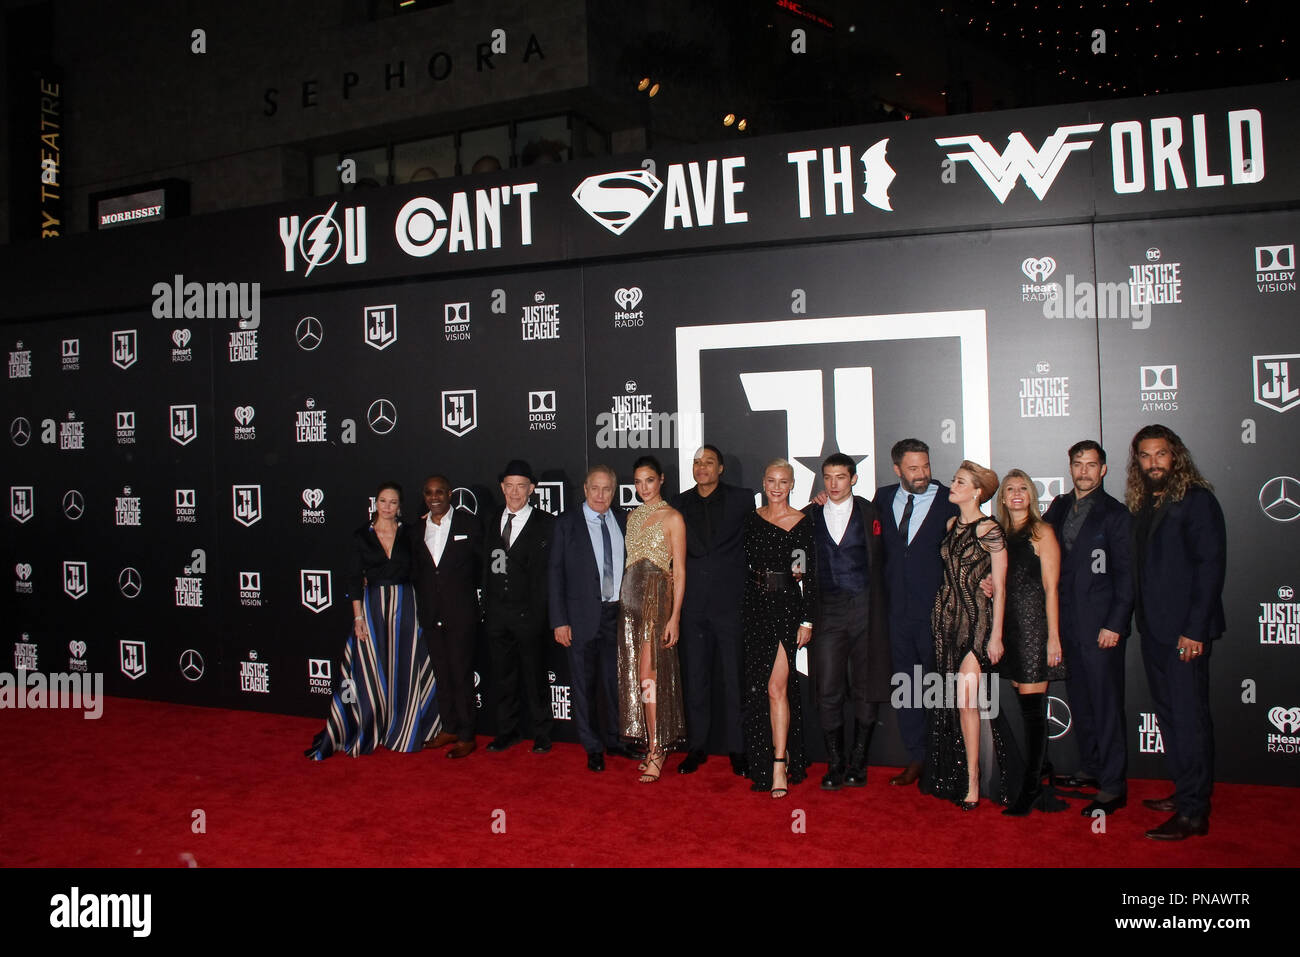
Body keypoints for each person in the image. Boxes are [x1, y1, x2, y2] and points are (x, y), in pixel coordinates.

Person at [1125, 425, 1226, 840]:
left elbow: (1210, 569)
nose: (1153, 463)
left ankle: (1193, 813)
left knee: (1189, 720)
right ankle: (1188, 791)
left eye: (1160, 455)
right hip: (1155, 631)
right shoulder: (1145, 503)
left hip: (1186, 634)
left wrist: (1194, 630)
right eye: (1145, 456)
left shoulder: (1197, 501)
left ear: (1175, 456)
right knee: (1170, 718)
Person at [306, 481, 441, 759]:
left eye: (393, 502)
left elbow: (423, 566)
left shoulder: (410, 534)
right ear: (375, 503)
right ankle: (370, 726)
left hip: (406, 604)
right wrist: (358, 617)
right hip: (373, 607)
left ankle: (405, 727)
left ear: (399, 506)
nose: (388, 507)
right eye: (383, 501)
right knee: (370, 669)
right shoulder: (361, 536)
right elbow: (354, 579)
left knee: (406, 665)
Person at [1042, 440, 1134, 817]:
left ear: (1104, 470)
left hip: (1101, 628)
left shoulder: (1115, 514)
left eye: (1091, 465)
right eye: (1078, 464)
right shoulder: (1060, 506)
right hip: (1065, 624)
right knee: (1081, 700)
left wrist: (1115, 623)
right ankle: (1092, 768)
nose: (1084, 471)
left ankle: (1113, 785)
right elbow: (1038, 551)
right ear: (1070, 466)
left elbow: (1128, 576)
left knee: (1106, 704)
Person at [921, 460, 1014, 810]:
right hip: (944, 622)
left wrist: (996, 636)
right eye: (955, 480)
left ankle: (974, 780)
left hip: (976, 625)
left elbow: (1000, 587)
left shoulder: (990, 529)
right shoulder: (950, 524)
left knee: (966, 702)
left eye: (960, 482)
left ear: (977, 491)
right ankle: (962, 775)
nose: (953, 486)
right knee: (956, 706)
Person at [873, 438, 960, 786]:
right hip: (895, 613)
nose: (922, 473)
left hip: (937, 612)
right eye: (913, 468)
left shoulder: (950, 499)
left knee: (939, 686)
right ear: (897, 470)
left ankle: (947, 757)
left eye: (925, 466)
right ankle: (917, 757)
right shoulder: (880, 499)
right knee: (907, 687)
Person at [803, 453, 890, 789]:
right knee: (827, 689)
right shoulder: (810, 515)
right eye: (828, 477)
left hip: (867, 609)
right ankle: (835, 764)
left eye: (841, 476)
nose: (834, 484)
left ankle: (858, 762)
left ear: (853, 478)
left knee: (867, 687)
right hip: (827, 611)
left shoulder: (871, 512)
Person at [549, 465, 638, 772]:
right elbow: (555, 573)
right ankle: (591, 746)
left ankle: (614, 741)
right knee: (583, 685)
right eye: (595, 489)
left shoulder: (623, 521)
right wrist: (559, 620)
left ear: (614, 492)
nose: (601, 496)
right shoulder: (566, 523)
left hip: (615, 615)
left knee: (615, 683)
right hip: (580, 617)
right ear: (585, 489)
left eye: (607, 490)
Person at [671, 444, 752, 776]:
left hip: (730, 604)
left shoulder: (743, 499)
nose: (701, 467)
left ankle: (738, 748)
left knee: (735, 680)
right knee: (696, 679)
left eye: (708, 462)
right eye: (696, 462)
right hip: (692, 607)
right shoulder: (678, 503)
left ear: (721, 468)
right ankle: (697, 747)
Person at [742, 459, 817, 798]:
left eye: (783, 481)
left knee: (776, 688)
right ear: (763, 482)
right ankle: (765, 757)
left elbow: (804, 575)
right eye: (771, 479)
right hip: (754, 608)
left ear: (791, 486)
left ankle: (778, 763)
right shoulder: (752, 521)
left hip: (786, 608)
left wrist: (806, 619)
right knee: (759, 689)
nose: (776, 486)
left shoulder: (801, 524)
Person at [996, 468, 1069, 816]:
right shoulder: (1000, 535)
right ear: (1003, 497)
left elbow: (1052, 588)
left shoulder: (1042, 532)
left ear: (1031, 495)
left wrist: (1053, 638)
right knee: (1027, 710)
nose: (1016, 493)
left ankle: (1031, 790)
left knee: (1032, 714)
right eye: (1010, 489)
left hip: (1034, 628)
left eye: (1022, 488)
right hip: (1009, 629)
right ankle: (1039, 777)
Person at [617, 456, 687, 782]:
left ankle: (658, 748)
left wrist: (674, 617)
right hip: (629, 603)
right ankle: (651, 743)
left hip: (657, 604)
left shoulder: (673, 517)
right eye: (638, 482)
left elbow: (681, 571)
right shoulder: (631, 518)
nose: (644, 488)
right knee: (639, 675)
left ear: (661, 480)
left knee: (650, 675)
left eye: (649, 480)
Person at [483, 460, 556, 755]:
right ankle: (507, 732)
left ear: (532, 489)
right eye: (509, 486)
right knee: (503, 676)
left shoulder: (547, 524)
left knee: (534, 676)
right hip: (497, 614)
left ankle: (541, 733)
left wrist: (541, 613)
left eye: (521, 486)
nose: (514, 492)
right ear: (502, 488)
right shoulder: (488, 520)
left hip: (530, 615)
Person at [412, 475, 483, 759]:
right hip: (431, 614)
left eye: (440, 491)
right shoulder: (415, 529)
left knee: (461, 673)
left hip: (462, 613)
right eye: (429, 492)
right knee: (442, 674)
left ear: (450, 494)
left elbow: (483, 566)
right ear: (424, 496)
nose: (434, 497)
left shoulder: (470, 524)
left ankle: (467, 734)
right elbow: (411, 568)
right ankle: (449, 727)